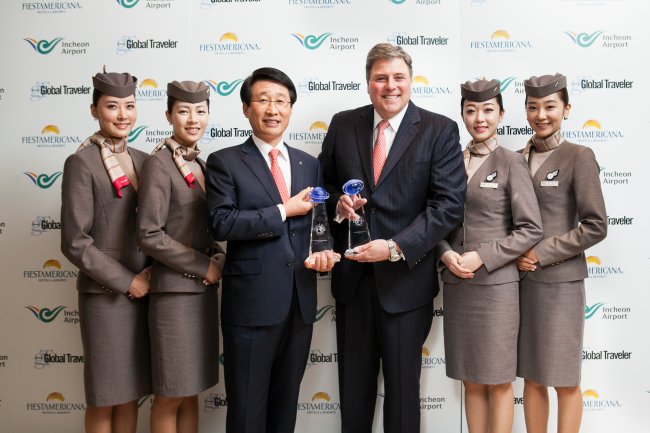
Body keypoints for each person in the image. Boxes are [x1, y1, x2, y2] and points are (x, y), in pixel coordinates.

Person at [318, 43, 466, 432]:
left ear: (411, 81)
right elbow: (324, 185)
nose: (390, 86)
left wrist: (396, 247)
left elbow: (448, 205)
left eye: (398, 77)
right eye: (381, 78)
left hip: (406, 284)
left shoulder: (439, 129)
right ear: (368, 83)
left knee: (402, 399)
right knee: (353, 397)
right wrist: (338, 206)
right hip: (352, 284)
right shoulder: (342, 123)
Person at [205, 67, 339, 433]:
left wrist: (324, 252)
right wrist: (283, 211)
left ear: (291, 109)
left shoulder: (308, 164)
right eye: (262, 100)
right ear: (247, 109)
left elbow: (318, 226)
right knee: (247, 412)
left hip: (299, 305)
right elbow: (222, 223)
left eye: (281, 101)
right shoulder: (224, 161)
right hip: (251, 306)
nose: (272, 109)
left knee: (285, 409)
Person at [436, 79, 543, 433]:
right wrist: (446, 253)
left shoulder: (512, 162)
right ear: (462, 115)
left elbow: (530, 229)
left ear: (500, 114)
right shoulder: (451, 162)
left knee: (497, 380)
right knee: (470, 379)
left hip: (496, 288)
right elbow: (437, 220)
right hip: (457, 283)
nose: (478, 118)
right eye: (470, 111)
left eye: (487, 110)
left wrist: (482, 256)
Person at [60, 70, 152, 433]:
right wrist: (128, 281)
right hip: (106, 294)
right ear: (95, 109)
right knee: (104, 395)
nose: (122, 115)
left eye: (129, 106)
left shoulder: (146, 160)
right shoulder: (81, 162)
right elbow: (75, 241)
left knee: (131, 392)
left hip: (146, 291)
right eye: (112, 106)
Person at [515, 73, 607, 433]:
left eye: (550, 106)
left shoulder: (579, 156)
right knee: (533, 378)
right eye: (533, 106)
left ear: (566, 109)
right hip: (519, 283)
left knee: (564, 379)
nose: (541, 114)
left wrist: (540, 252)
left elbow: (595, 225)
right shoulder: (518, 157)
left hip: (560, 285)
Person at [136, 80, 225, 433]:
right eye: (184, 111)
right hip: (173, 296)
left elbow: (206, 227)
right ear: (169, 115)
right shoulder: (159, 164)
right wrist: (203, 264)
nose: (193, 119)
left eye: (200, 111)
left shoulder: (201, 163)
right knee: (171, 394)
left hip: (201, 294)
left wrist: (217, 257)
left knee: (191, 392)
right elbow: (149, 234)